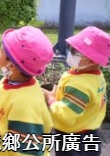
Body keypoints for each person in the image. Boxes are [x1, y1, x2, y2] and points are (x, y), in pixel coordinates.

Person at [0, 26, 54, 155]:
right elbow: (1, 93)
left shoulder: (25, 106)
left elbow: (28, 151)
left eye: (1, 51)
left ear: (11, 66)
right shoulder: (12, 80)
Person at [43, 26, 110, 156]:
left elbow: (66, 115)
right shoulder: (94, 75)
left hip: (75, 140)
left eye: (75, 52)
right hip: (90, 133)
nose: (70, 53)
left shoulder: (80, 85)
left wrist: (50, 98)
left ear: (92, 59)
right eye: (71, 49)